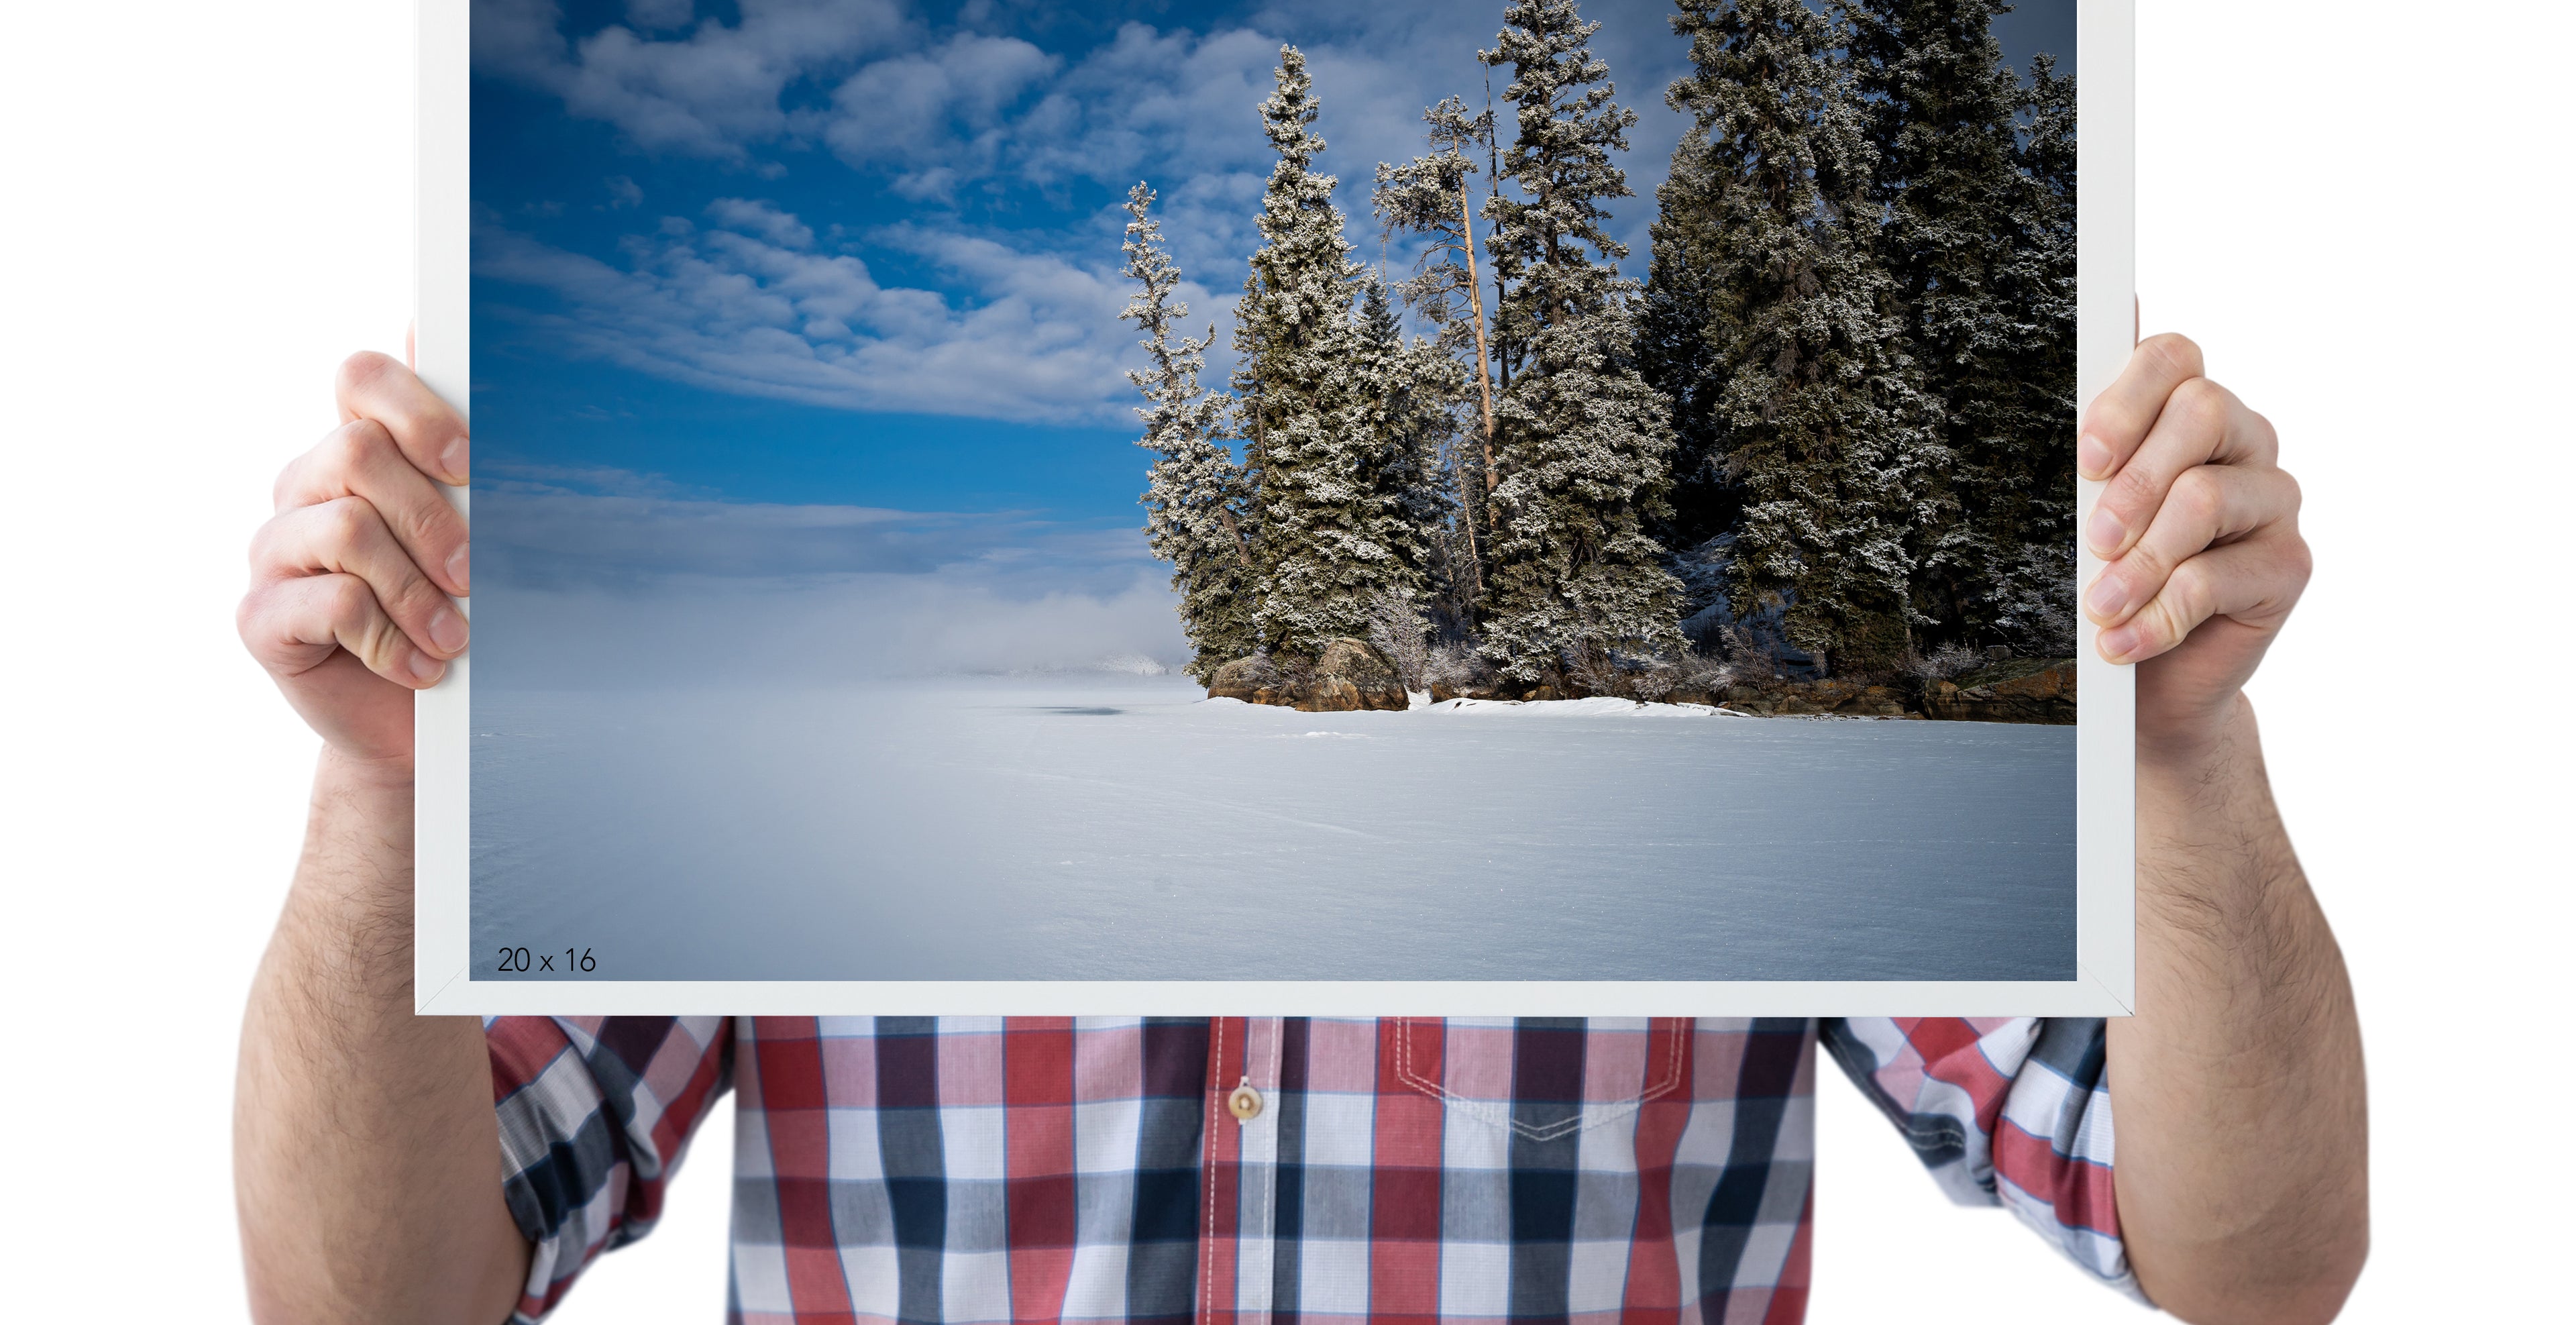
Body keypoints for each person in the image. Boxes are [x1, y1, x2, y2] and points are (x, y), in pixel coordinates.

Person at [232, 332, 2366, 1325]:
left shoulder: (1713, 813)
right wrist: (384, 798)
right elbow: (373, 1301)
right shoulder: (758, 795)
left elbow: (2253, 1262)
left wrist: (2176, 759)